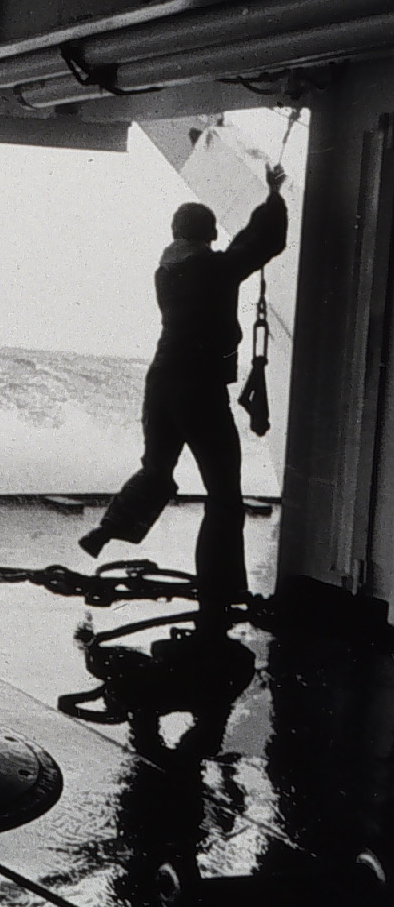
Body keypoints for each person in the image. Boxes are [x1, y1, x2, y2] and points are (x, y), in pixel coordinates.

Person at [80, 165, 289, 630]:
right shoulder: (211, 268)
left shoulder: (166, 269)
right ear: (209, 234)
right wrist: (273, 196)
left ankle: (110, 528)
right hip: (198, 387)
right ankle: (220, 588)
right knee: (224, 496)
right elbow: (260, 245)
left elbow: (237, 253)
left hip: (161, 384)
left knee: (157, 468)